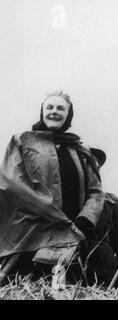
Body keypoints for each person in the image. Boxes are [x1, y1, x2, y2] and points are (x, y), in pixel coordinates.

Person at [0, 91, 104, 282]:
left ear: (68, 115)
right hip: (31, 236)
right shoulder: (22, 142)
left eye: (60, 108)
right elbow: (12, 184)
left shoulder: (80, 151)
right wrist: (48, 212)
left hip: (73, 236)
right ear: (42, 112)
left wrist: (85, 220)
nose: (54, 112)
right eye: (50, 107)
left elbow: (95, 192)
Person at [87, 148, 118, 286]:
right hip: (72, 269)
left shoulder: (112, 202)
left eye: (94, 166)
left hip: (104, 273)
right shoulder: (66, 201)